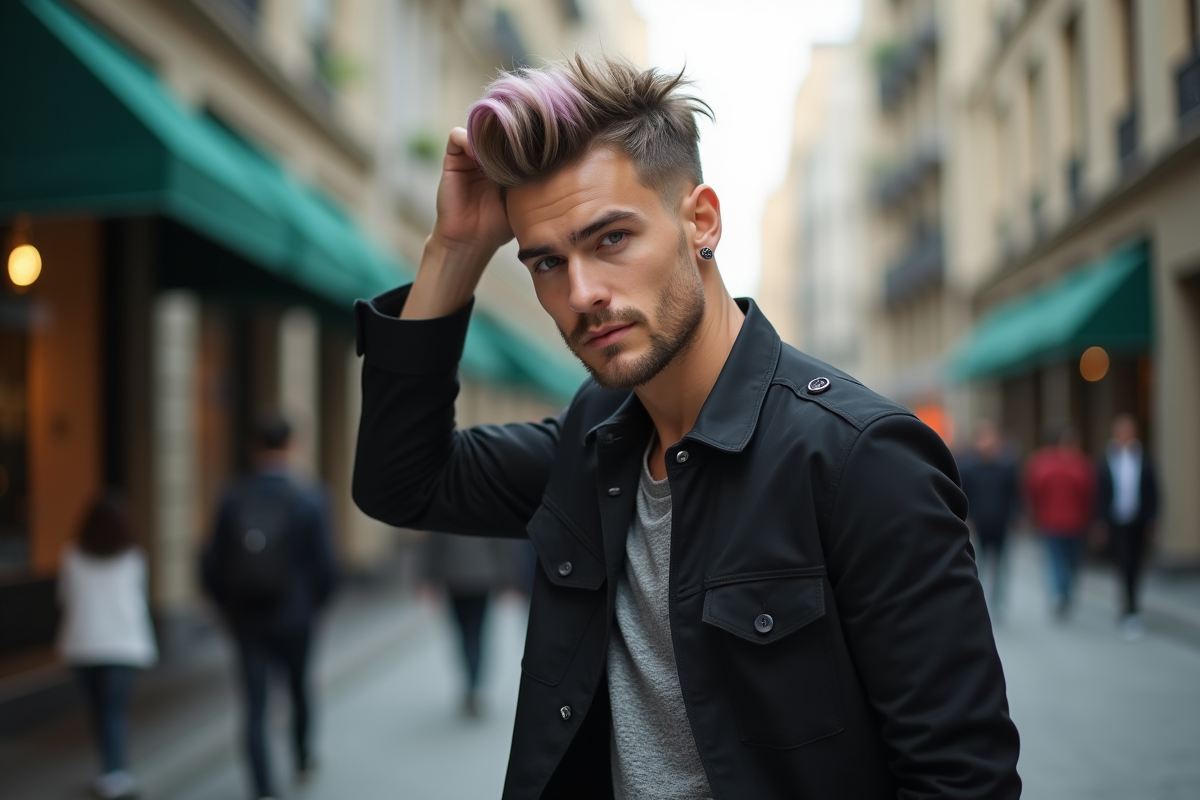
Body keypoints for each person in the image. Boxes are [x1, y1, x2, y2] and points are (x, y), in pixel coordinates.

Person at [352, 55, 1020, 799]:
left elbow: (963, 780)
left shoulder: (859, 458)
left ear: (700, 221)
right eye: (546, 263)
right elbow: (402, 481)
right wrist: (455, 250)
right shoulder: (596, 434)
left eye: (611, 239)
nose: (582, 293)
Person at [202, 413, 337, 800]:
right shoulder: (310, 498)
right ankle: (302, 758)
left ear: (254, 446)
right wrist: (315, 607)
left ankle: (262, 788)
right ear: (292, 446)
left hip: (248, 618)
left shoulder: (232, 497)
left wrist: (227, 609)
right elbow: (327, 567)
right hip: (297, 616)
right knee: (299, 689)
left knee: (254, 705)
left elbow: (211, 564)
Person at [57, 493, 158, 800]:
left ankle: (111, 772)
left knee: (100, 711)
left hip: (85, 644)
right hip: (122, 645)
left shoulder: (71, 556)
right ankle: (115, 773)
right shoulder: (133, 557)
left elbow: (64, 598)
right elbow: (139, 600)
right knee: (114, 710)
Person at [423, 532, 525, 717]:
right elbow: (501, 545)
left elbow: (434, 544)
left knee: (465, 634)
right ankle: (474, 686)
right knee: (476, 633)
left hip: (455, 576)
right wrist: (508, 580)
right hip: (481, 577)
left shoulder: (447, 515)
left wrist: (429, 577)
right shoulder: (487, 514)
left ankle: (471, 685)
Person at [1096, 413, 1159, 640]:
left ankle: (1134, 608)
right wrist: (1100, 521)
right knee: (1123, 564)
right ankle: (1127, 608)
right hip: (1116, 521)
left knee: (1136, 565)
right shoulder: (1106, 458)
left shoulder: (1143, 457)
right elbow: (1100, 493)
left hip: (1138, 520)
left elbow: (1153, 490)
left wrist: (1154, 519)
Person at [1024, 422, 1096, 619]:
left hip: (1071, 523)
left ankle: (1063, 593)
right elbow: (1034, 490)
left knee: (1066, 561)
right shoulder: (1049, 462)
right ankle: (1062, 594)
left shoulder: (1078, 463)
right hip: (1057, 522)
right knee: (1060, 560)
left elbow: (1090, 492)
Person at [958, 420, 1021, 615]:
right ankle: (978, 599)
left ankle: (998, 600)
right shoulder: (968, 468)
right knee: (979, 564)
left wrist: (1017, 516)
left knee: (1001, 564)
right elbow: (963, 493)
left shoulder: (1006, 467)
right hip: (978, 524)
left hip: (1001, 522)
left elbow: (1015, 494)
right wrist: (967, 518)